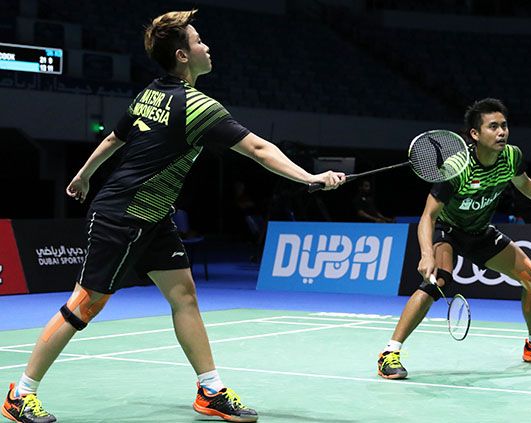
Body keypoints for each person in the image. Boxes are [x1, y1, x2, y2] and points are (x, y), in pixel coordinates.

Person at [2, 10, 344, 423]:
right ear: (182, 55)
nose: (207, 47)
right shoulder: (197, 106)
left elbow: (115, 137)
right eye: (200, 42)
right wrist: (310, 177)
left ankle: (210, 390)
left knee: (184, 295)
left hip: (154, 216)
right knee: (85, 304)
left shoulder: (150, 93)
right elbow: (257, 148)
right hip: (123, 215)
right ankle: (20, 394)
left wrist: (82, 175)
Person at [377, 98, 531, 380]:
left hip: (480, 232)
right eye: (493, 127)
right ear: (474, 134)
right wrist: (426, 253)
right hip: (449, 232)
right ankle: (390, 353)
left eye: (504, 125)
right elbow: (428, 217)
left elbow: (523, 183)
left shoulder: (511, 156)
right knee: (437, 282)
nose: (502, 132)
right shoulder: (456, 168)